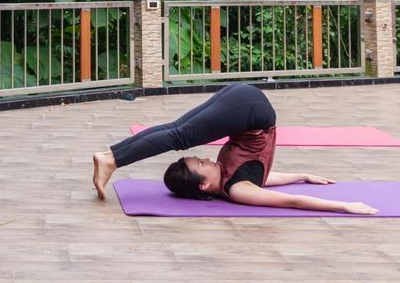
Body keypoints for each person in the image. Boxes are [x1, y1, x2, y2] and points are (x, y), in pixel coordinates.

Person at [91, 83, 378, 214]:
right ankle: (112, 158)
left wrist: (302, 174)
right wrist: (343, 206)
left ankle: (111, 157)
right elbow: (289, 200)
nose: (205, 158)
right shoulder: (238, 189)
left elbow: (262, 177)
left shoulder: (231, 178)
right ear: (203, 186)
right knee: (178, 133)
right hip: (247, 107)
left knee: (177, 130)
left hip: (246, 106)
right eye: (200, 164)